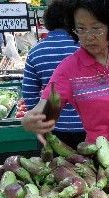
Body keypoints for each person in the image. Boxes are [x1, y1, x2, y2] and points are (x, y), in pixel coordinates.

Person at [21, 0, 109, 150]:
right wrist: (33, 118)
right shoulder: (69, 68)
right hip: (101, 155)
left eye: (96, 28)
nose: (89, 36)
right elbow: (48, 106)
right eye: (81, 29)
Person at [22, 0, 85, 149]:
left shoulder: (36, 52)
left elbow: (29, 95)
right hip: (88, 126)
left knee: (55, 169)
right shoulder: (85, 47)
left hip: (52, 127)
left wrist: (42, 117)